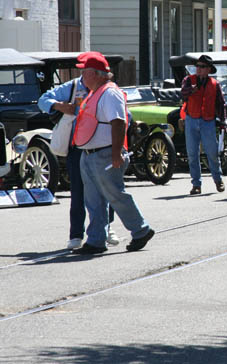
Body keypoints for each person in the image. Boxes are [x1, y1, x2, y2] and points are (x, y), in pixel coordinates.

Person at [71, 52, 154, 254]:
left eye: (85, 72)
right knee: (94, 201)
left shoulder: (109, 93)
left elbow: (119, 123)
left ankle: (141, 230)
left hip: (105, 154)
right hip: (90, 154)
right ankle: (96, 241)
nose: (82, 76)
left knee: (115, 195)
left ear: (97, 74)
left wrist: (116, 153)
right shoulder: (96, 92)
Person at [38, 59, 120, 250]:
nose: (83, 75)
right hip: (78, 147)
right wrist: (60, 106)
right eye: (83, 71)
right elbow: (43, 100)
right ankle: (76, 234)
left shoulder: (107, 89)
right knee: (78, 191)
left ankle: (106, 229)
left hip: (101, 146)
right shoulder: (73, 86)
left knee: (105, 189)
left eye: (87, 71)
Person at [180, 55, 226, 195]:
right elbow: (183, 94)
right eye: (197, 66)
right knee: (192, 154)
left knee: (212, 153)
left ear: (208, 69)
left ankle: (218, 180)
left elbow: (220, 103)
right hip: (191, 119)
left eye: (202, 67)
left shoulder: (215, 84)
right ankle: (196, 184)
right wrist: (192, 90)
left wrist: (223, 120)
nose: (198, 69)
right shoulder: (188, 80)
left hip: (208, 121)